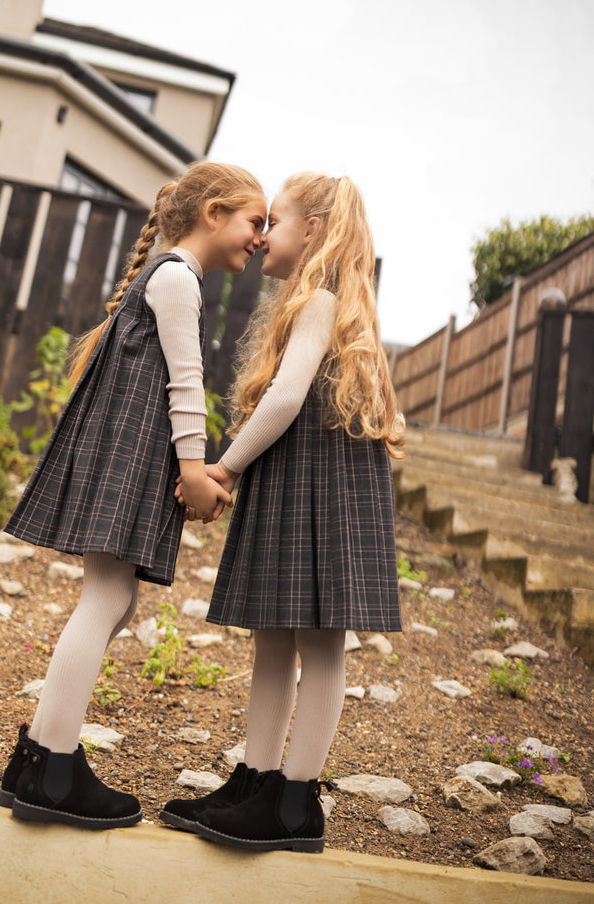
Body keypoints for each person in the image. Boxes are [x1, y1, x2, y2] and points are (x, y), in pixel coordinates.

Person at [0, 162, 267, 830]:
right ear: (213, 214)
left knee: (112, 601)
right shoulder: (177, 277)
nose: (260, 237)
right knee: (108, 599)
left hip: (123, 456)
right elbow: (185, 383)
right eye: (253, 221)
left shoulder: (171, 274)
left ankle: (38, 757)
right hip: (125, 459)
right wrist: (197, 467)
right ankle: (50, 768)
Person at [161, 171, 405, 852]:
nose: (264, 236)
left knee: (320, 642)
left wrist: (226, 463)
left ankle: (297, 800)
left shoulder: (322, 298)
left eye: (278, 221)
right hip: (297, 476)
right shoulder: (308, 301)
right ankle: (256, 780)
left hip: (321, 479)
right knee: (273, 632)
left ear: (316, 232)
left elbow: (288, 394)